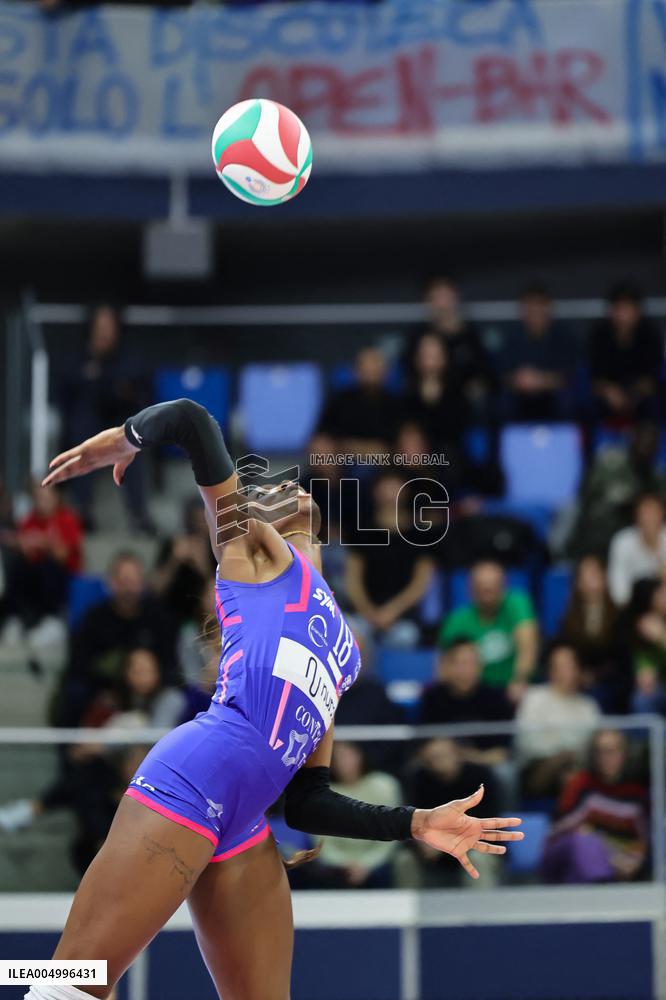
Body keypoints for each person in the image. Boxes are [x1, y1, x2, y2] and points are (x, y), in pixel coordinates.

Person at [30, 397, 523, 1000]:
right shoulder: (253, 552)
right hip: (191, 781)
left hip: (245, 823)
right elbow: (190, 421)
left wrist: (415, 823)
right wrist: (127, 439)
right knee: (71, 983)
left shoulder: (342, 649)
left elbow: (309, 802)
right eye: (265, 487)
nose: (288, 485)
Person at [55, 304, 151, 532]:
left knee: (131, 440)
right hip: (87, 424)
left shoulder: (128, 357)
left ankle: (138, 515)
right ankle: (83, 512)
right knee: (82, 432)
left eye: (109, 327)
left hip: (119, 421)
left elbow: (138, 389)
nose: (104, 333)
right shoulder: (78, 358)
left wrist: (102, 377)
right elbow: (66, 392)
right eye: (100, 327)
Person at [57, 552, 177, 726]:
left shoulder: (159, 618)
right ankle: (73, 742)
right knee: (75, 692)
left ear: (142, 584)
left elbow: (170, 663)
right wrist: (108, 692)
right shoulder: (94, 619)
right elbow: (79, 665)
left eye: (133, 582)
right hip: (103, 690)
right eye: (123, 581)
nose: (128, 589)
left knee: (177, 697)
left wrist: (150, 684)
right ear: (111, 583)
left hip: (151, 690)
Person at [542, 729, 649, 884]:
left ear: (624, 753)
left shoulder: (636, 792)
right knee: (584, 841)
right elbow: (556, 829)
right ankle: (600, 887)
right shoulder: (580, 784)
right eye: (600, 752)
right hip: (566, 853)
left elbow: (642, 840)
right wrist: (592, 839)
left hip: (617, 863)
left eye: (612, 751)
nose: (605, 758)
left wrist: (628, 861)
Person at [344, 469, 436, 647]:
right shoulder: (361, 530)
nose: (390, 492)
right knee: (350, 633)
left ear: (405, 490)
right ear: (375, 491)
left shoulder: (421, 533)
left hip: (403, 619)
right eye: (385, 486)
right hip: (363, 616)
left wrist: (392, 611)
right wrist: (368, 612)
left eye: (395, 486)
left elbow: (420, 584)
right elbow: (352, 579)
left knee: (405, 637)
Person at [405, 739, 502, 888]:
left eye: (443, 756)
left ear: (457, 754)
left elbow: (485, 821)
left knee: (478, 859)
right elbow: (412, 819)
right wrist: (423, 841)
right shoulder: (418, 779)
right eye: (432, 758)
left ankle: (481, 903)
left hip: (474, 844)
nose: (438, 762)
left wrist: (445, 840)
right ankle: (408, 904)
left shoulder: (480, 776)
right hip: (432, 849)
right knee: (404, 859)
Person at [438, 561, 539, 702]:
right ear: (470, 589)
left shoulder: (517, 604)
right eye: (482, 588)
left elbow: (528, 645)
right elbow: (443, 668)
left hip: (516, 689)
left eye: (493, 587)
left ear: (504, 587)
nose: (487, 594)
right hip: (475, 693)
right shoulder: (456, 621)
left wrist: (520, 679)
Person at [516, 643, 602, 799]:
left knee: (578, 775)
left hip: (581, 766)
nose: (564, 671)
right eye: (559, 666)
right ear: (550, 670)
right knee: (571, 774)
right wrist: (565, 753)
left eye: (569, 666)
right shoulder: (534, 697)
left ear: (578, 670)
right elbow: (528, 743)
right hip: (538, 769)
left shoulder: (588, 705)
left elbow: (595, 744)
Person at [2, 483, 82, 641]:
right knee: (17, 566)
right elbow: (25, 550)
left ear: (56, 498)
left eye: (46, 497)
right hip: (34, 575)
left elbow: (63, 556)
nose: (42, 502)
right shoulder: (30, 520)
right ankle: (16, 617)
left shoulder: (67, 519)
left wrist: (43, 543)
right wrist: (23, 545)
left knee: (49, 568)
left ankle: (50, 619)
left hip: (61, 576)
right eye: (38, 498)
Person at [317, 742, 402, 889]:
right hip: (338, 864)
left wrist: (366, 864)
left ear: (360, 755)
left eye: (347, 755)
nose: (342, 762)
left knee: (401, 862)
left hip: (379, 860)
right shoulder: (322, 793)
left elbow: (392, 834)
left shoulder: (384, 785)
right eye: (336, 757)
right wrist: (346, 863)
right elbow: (322, 842)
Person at [418, 639, 513, 765]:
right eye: (460, 663)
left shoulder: (496, 698)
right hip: (442, 764)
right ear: (446, 666)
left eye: (471, 663)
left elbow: (503, 751)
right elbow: (424, 745)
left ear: (480, 666)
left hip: (486, 763)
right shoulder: (433, 698)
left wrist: (469, 757)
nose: (466, 670)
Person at [588, 282, 663, 430]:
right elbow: (593, 378)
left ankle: (646, 444)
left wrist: (632, 395)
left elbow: (653, 379)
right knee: (586, 404)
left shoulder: (650, 335)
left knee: (653, 405)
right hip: (608, 394)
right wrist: (609, 391)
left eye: (628, 308)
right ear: (611, 311)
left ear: (638, 311)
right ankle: (591, 444)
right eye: (619, 308)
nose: (623, 315)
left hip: (639, 395)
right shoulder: (599, 335)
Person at [499, 283, 573, 422]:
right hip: (520, 394)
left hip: (551, 394)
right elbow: (504, 374)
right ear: (522, 310)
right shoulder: (512, 337)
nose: (535, 312)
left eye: (539, 306)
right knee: (503, 402)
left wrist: (541, 380)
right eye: (530, 307)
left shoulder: (563, 337)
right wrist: (519, 380)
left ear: (548, 308)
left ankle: (565, 436)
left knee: (567, 400)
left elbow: (567, 375)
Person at [317, 346, 400, 456]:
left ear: (386, 372)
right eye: (365, 367)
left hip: (387, 461)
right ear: (355, 371)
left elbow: (397, 445)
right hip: (343, 459)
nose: (370, 371)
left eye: (375, 367)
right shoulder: (340, 401)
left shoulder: (397, 404)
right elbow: (323, 435)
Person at [82, 648, 187, 731]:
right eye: (138, 671)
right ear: (126, 673)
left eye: (148, 671)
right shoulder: (113, 699)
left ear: (158, 672)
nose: (143, 677)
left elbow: (156, 737)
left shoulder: (171, 698)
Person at [153, 497, 217, 627]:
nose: (199, 526)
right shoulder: (173, 544)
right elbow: (156, 589)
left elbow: (219, 593)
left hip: (206, 616)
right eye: (195, 521)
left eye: (204, 520)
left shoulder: (217, 548)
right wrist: (174, 561)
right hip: (172, 614)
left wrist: (202, 566)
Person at [607, 494, 666, 605]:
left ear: (662, 513)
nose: (649, 518)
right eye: (644, 513)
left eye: (653, 512)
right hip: (633, 606)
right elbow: (619, 590)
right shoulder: (622, 541)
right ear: (636, 515)